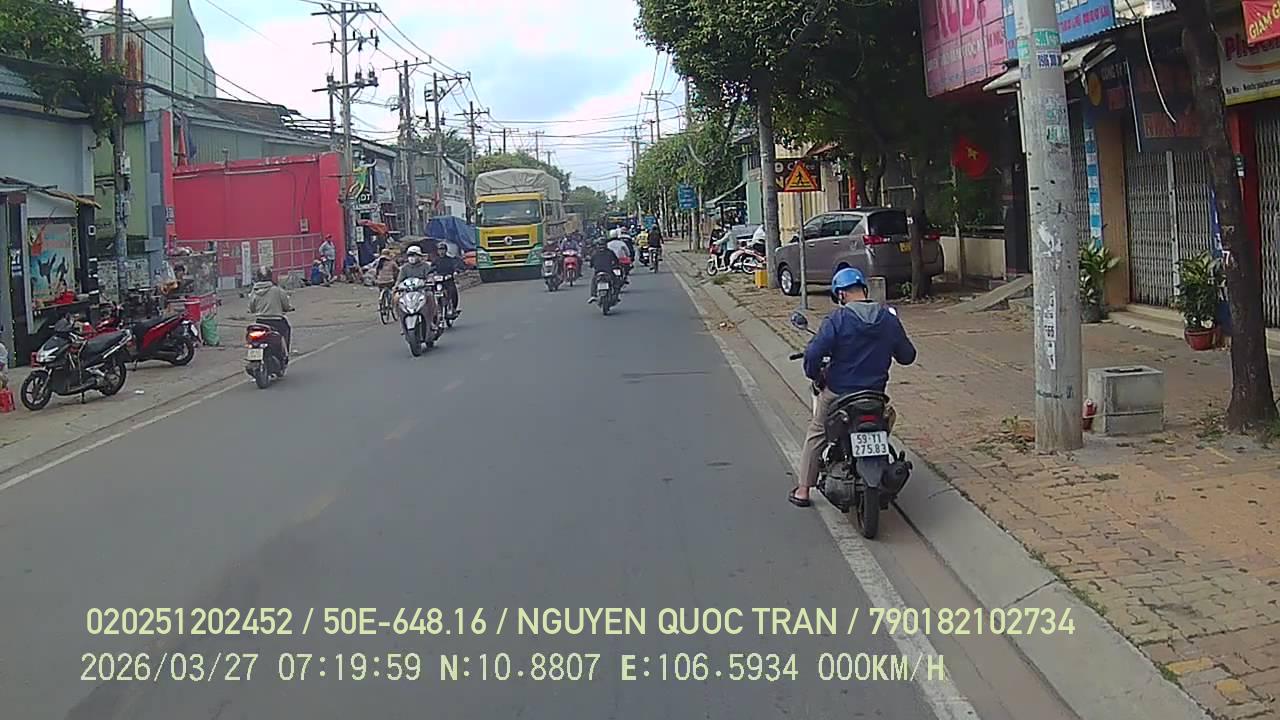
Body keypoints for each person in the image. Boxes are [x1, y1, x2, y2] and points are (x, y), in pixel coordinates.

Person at [790, 267, 917, 508]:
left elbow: (813, 354)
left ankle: (803, 490)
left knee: (817, 431)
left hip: (839, 393)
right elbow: (908, 356)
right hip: (875, 395)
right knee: (886, 419)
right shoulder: (888, 319)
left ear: (841, 294)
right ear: (864, 290)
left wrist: (815, 375)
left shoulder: (837, 320)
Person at [247, 267, 294, 352]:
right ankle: (285, 352)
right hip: (277, 321)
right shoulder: (277, 290)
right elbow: (286, 306)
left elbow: (251, 308)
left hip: (260, 322)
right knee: (287, 329)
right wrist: (288, 308)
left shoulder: (254, 291)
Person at [395, 245, 440, 330]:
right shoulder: (404, 268)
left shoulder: (425, 266)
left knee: (430, 296)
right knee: (396, 298)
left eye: (414, 255)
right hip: (408, 292)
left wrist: (430, 281)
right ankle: (402, 323)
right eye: (410, 255)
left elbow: (430, 276)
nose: (412, 257)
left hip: (422, 290)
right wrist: (396, 287)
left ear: (419, 256)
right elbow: (399, 280)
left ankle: (431, 321)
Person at [431, 241, 465, 316]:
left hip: (448, 280)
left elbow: (456, 267)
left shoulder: (450, 260)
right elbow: (431, 269)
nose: (441, 251)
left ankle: (453, 308)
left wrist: (455, 272)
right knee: (430, 292)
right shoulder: (435, 260)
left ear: (446, 250)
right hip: (438, 281)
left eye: (443, 249)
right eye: (440, 250)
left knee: (452, 291)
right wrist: (431, 274)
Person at [587, 238, 621, 304]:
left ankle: (593, 295)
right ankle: (616, 295)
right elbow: (616, 261)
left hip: (598, 272)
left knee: (594, 281)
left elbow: (591, 264)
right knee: (616, 282)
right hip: (608, 271)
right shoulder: (610, 252)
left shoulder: (594, 253)